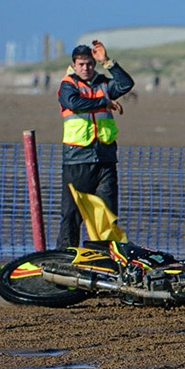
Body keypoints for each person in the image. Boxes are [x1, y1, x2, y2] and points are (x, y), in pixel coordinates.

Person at [57, 41, 135, 246]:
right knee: (72, 215)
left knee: (107, 214)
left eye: (90, 64)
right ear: (74, 65)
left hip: (105, 159)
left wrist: (108, 62)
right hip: (77, 159)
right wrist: (104, 102)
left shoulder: (103, 83)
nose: (86, 68)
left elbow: (126, 84)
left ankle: (107, 257)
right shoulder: (68, 84)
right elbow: (73, 103)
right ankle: (65, 256)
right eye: (81, 64)